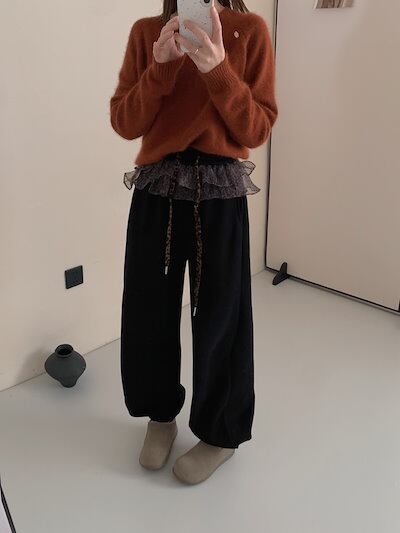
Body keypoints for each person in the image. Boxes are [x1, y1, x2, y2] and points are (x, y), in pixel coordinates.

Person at [109, 0, 278, 485]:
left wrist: (218, 70)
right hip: (157, 186)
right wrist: (161, 68)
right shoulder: (147, 33)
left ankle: (220, 434)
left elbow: (257, 128)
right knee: (147, 310)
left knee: (222, 314)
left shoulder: (250, 30)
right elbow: (124, 122)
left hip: (220, 191)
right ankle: (159, 416)